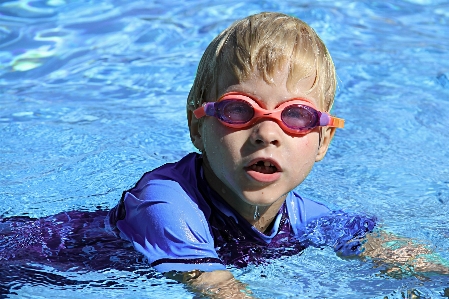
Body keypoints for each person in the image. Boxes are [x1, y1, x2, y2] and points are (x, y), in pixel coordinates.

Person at [107, 12, 448, 297]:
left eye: (296, 116)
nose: (268, 134)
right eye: (238, 110)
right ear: (197, 126)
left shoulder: (304, 217)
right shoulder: (163, 202)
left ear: (323, 140)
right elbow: (216, 287)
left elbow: (396, 254)